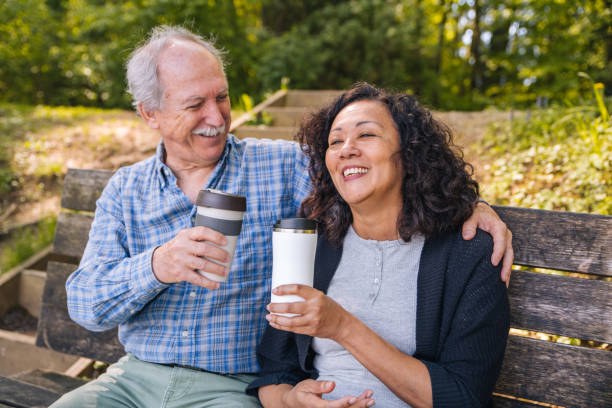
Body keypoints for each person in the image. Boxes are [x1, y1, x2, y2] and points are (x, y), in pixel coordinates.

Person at [53, 25, 512, 407]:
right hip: (134, 378)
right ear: (149, 113)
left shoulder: (282, 165)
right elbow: (85, 304)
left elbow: (371, 174)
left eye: (223, 97)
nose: (217, 116)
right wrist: (157, 265)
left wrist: (471, 204)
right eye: (195, 105)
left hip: (228, 387)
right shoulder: (126, 189)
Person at [248, 83, 510, 408]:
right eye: (335, 141)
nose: (347, 149)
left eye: (367, 135)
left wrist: (342, 327)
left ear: (410, 154)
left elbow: (464, 397)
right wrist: (292, 400)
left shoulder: (467, 253)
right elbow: (274, 372)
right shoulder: (315, 245)